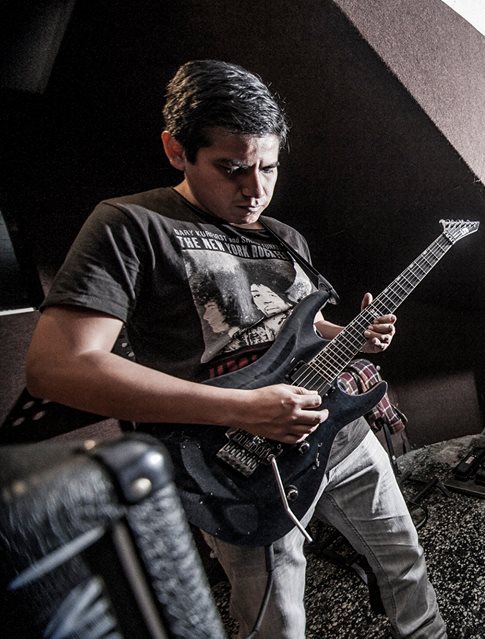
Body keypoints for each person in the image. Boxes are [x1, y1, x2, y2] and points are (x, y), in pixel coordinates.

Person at [26, 59, 447, 639]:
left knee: (405, 563)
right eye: (232, 169)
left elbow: (296, 330)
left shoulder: (284, 237)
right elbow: (58, 367)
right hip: (238, 463)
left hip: (343, 436)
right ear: (177, 150)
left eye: (268, 167)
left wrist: (351, 333)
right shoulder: (131, 224)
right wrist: (242, 408)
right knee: (276, 621)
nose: (255, 190)